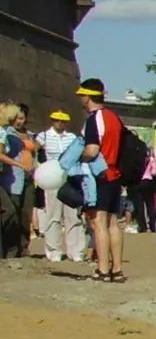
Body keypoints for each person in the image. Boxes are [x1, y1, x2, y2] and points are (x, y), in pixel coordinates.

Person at [77, 78, 128, 281]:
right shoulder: (114, 117)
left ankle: (103, 269)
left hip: (100, 175)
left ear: (87, 97)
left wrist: (78, 158)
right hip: (116, 174)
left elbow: (92, 150)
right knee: (113, 223)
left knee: (98, 223)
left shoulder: (93, 119)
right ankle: (117, 269)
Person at [35, 109, 87, 263]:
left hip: (70, 178)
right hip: (52, 178)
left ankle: (76, 251)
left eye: (63, 121)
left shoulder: (72, 137)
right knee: (53, 216)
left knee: (73, 216)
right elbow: (33, 150)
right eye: (57, 120)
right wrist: (39, 168)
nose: (60, 123)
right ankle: (54, 250)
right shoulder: (44, 136)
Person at [0, 102, 36, 258]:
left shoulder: (29, 134)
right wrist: (19, 165)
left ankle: (21, 248)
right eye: (16, 117)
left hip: (26, 177)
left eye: (21, 118)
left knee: (24, 214)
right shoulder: (6, 133)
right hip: (11, 177)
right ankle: (10, 249)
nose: (18, 121)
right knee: (11, 212)